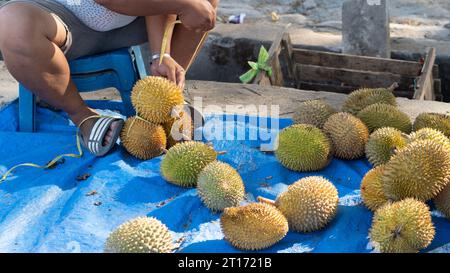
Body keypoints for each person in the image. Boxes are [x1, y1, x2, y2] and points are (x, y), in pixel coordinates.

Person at [0, 0, 217, 156]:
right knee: (12, 23)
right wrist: (183, 4)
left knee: (203, 4)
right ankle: (83, 117)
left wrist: (162, 53)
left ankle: (163, 100)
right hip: (62, 18)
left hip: (131, 22)